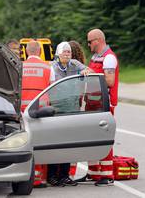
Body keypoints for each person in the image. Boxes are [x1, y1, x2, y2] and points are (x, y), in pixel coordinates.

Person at [47, 42, 91, 187]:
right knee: (55, 144)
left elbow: (87, 69)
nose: (67, 54)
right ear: (58, 54)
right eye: (64, 52)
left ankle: (64, 175)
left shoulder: (74, 63)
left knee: (68, 144)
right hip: (57, 110)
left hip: (72, 110)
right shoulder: (52, 67)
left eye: (69, 52)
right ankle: (52, 176)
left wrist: (85, 70)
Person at [82, 29, 119, 186]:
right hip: (93, 102)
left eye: (90, 42)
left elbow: (110, 81)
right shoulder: (96, 57)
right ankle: (93, 172)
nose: (88, 44)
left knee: (103, 137)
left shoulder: (109, 57)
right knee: (91, 137)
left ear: (97, 40)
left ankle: (106, 174)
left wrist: (91, 74)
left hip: (104, 103)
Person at [21, 40, 54, 188]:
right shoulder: (48, 67)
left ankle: (26, 176)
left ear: (27, 51)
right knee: (42, 144)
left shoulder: (19, 66)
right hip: (42, 111)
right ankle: (40, 179)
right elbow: (53, 89)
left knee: (24, 143)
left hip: (22, 111)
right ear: (40, 51)